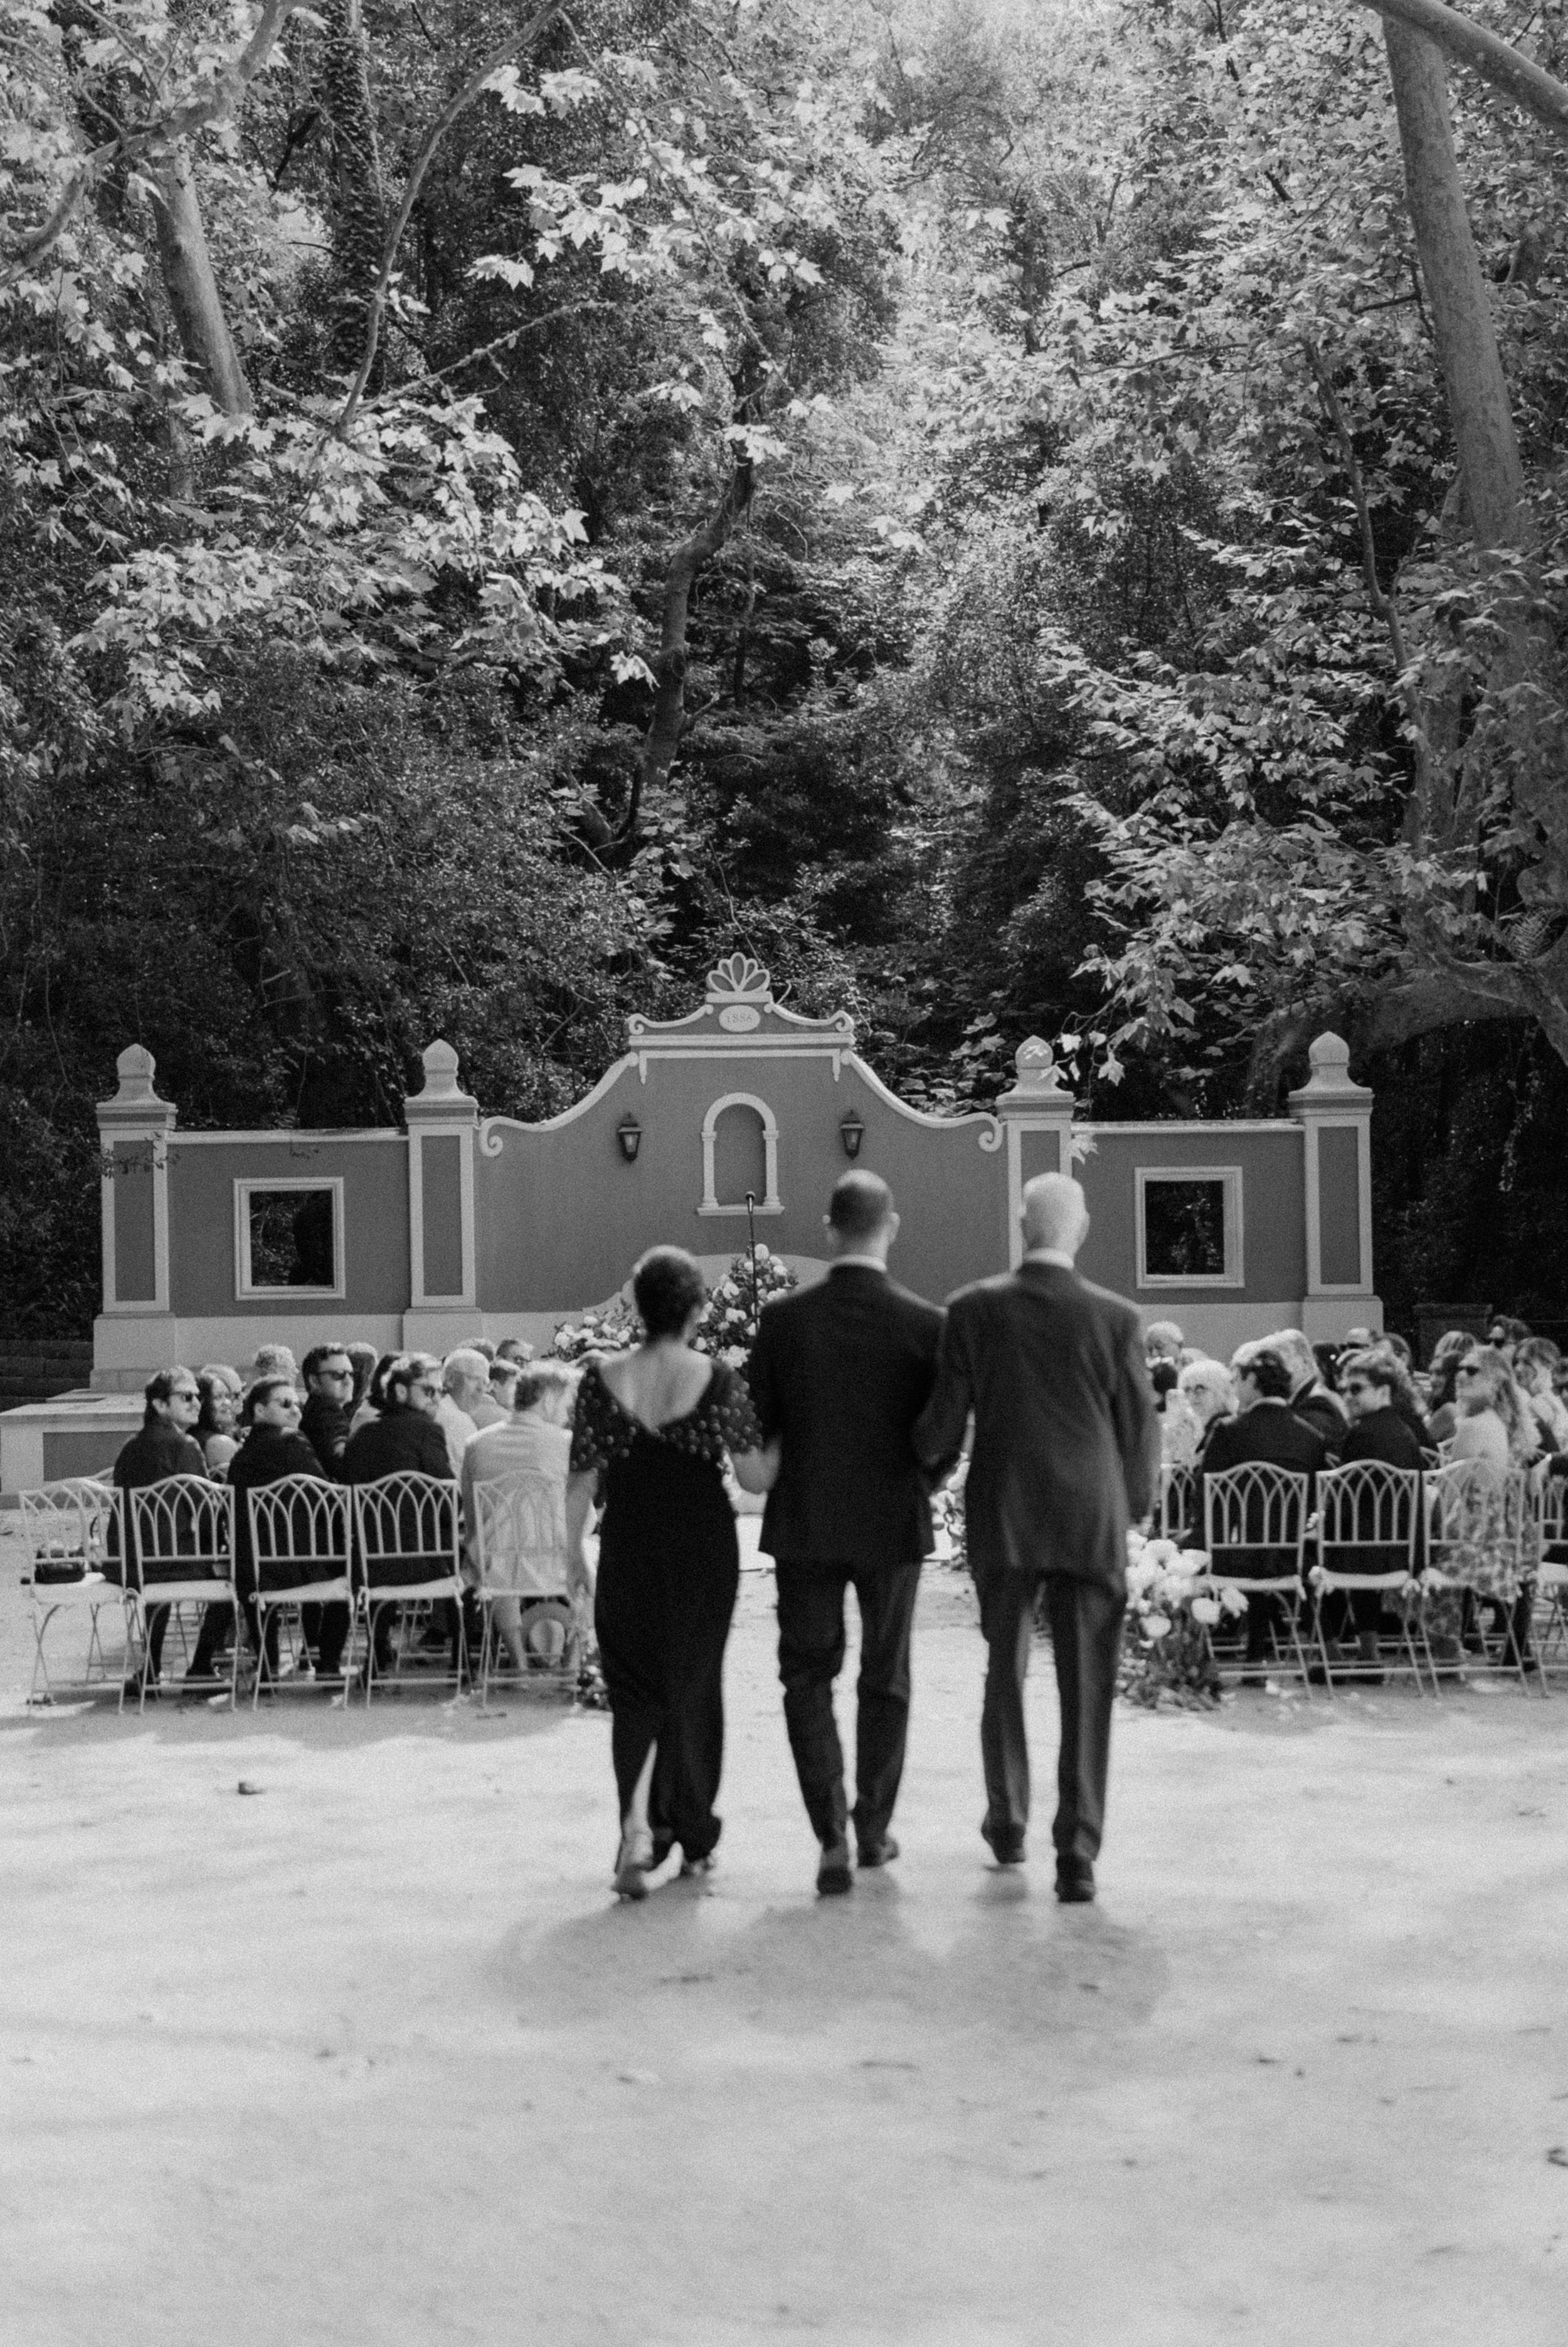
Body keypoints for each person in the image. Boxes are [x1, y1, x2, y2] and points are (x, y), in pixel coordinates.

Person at [913, 1172, 1157, 1904]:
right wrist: (1132, 1509)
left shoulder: (973, 1309)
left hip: (1007, 1510)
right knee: (1088, 1688)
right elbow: (1138, 1432)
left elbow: (944, 1425)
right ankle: (1077, 1852)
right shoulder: (1116, 1318)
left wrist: (918, 1469)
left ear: (1023, 1227)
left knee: (1005, 1670)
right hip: (1090, 1515)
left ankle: (1007, 1822)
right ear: (1077, 1231)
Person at [744, 1171, 945, 1895]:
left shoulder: (782, 1321)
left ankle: (828, 1830)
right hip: (892, 1522)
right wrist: (918, 1483)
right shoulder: (926, 1323)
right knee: (885, 1677)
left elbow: (757, 1426)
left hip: (805, 1522)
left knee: (807, 1674)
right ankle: (871, 1828)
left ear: (829, 1230)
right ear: (890, 1226)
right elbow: (944, 1431)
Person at [568, 1247, 776, 1902]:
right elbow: (754, 1477)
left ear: (635, 1303)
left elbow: (578, 1482)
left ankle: (637, 1832)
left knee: (634, 1694)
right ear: (695, 1308)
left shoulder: (600, 1380)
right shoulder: (717, 1379)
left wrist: (573, 1556)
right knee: (692, 1684)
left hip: (628, 1541)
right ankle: (693, 1834)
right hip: (699, 1547)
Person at [1192, 1348, 1327, 1678]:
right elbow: (1316, 1502)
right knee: (1264, 1538)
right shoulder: (1311, 1438)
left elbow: (1204, 1497)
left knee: (1175, 1547)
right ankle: (1257, 1648)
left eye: (1238, 1380)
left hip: (1229, 1556)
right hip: (1291, 1557)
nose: (1235, 1388)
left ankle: (1191, 1654)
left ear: (1253, 1380)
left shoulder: (1228, 1431)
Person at [341, 1353, 455, 1686]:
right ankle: (463, 1660)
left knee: (387, 1539)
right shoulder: (428, 1431)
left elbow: (349, 1494)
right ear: (401, 1392)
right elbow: (446, 1498)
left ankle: (377, 1651)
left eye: (439, 1392)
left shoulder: (361, 1435)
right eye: (428, 1391)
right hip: (426, 1562)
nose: (436, 1399)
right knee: (468, 1562)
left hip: (368, 1564)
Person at [462, 1362, 581, 1676]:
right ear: (548, 1399)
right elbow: (584, 1517)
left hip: (494, 1565)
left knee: (496, 1556)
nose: (569, 1410)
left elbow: (470, 1510)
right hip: (555, 1560)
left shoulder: (477, 1444)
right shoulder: (566, 1443)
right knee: (601, 1562)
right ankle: (572, 1660)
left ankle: (519, 1662)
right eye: (567, 1400)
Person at [108, 1369, 221, 1696]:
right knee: (237, 1580)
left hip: (127, 1564)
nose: (197, 1403)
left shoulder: (130, 1446)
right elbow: (208, 1508)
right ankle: (200, 1667)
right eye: (186, 1397)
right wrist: (220, 1547)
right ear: (159, 1404)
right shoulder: (184, 1445)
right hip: (168, 1563)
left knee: (163, 1564)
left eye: (198, 1396)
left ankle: (152, 1669)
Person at [227, 1375, 334, 1685]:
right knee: (352, 1566)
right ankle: (323, 1659)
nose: (296, 1411)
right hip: (301, 1566)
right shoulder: (293, 1442)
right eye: (285, 1404)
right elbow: (326, 1495)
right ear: (259, 1411)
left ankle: (268, 1664)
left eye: (298, 1404)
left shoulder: (240, 1458)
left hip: (254, 1571)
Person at [1328, 1347, 1428, 1678]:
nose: (1347, 1396)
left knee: (1310, 1551)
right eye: (1344, 1389)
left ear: (1384, 1391)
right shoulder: (1404, 1431)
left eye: (1356, 1389)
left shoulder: (1361, 1434)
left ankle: (1331, 1654)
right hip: (1404, 1552)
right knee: (1344, 1541)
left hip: (1366, 1551)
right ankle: (1368, 1653)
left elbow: (1345, 1500)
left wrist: (1318, 1524)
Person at [1267, 1328, 1347, 1455]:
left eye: (1280, 1363)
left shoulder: (1318, 1403)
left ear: (1304, 1363)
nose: (1273, 1372)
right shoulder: (1313, 1397)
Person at [300, 1343, 356, 1476]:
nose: (348, 1381)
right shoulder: (327, 1412)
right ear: (314, 1381)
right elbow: (343, 1463)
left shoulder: (313, 1409)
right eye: (338, 1375)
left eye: (351, 1374)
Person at [434, 1348, 489, 1471]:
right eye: (474, 1378)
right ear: (451, 1380)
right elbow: (473, 1474)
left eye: (484, 1382)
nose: (481, 1388)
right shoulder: (456, 1419)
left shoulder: (446, 1411)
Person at [1514, 1338, 1568, 1454]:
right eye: (1518, 1362)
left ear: (1548, 1365)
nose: (1518, 1368)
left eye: (1526, 1363)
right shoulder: (1555, 1399)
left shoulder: (1539, 1403)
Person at [1423, 1330, 1473, 1446]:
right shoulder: (1467, 1407)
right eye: (1431, 1373)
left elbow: (1417, 1445)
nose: (1432, 1380)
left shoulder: (1449, 1410)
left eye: (1440, 1373)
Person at [195, 1365, 243, 1477]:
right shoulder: (220, 1443)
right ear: (202, 1402)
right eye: (218, 1397)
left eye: (228, 1396)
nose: (227, 1403)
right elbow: (245, 1487)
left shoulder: (195, 1436)